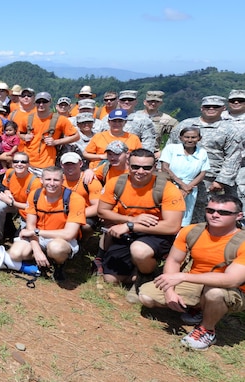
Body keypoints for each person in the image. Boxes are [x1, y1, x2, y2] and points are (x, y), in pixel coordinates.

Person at [138, 195, 245, 350]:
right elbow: (174, 261)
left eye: (223, 213)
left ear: (239, 216)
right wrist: (169, 291)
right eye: (210, 210)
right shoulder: (192, 231)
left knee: (214, 292)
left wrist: (182, 276)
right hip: (196, 282)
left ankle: (207, 330)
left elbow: (232, 280)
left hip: (233, 290)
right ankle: (200, 307)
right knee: (146, 297)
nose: (215, 215)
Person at [97, 149, 185, 299]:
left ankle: (145, 275)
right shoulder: (117, 183)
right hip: (128, 232)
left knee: (139, 250)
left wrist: (130, 226)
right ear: (128, 165)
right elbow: (102, 211)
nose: (140, 171)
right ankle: (138, 270)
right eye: (135, 166)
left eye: (146, 168)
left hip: (156, 232)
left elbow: (172, 226)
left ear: (155, 166)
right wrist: (131, 220)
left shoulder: (167, 189)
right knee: (111, 280)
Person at [0, 166, 86, 282]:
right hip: (37, 236)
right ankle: (41, 261)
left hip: (60, 239)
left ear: (63, 181)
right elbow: (30, 226)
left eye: (56, 180)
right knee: (14, 254)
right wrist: (37, 250)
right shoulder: (35, 195)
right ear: (41, 180)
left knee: (56, 248)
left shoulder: (75, 199)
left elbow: (69, 234)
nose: (52, 183)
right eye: (48, 179)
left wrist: (36, 232)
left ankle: (58, 264)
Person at [172, 95, 243, 223]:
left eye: (215, 107)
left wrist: (222, 181)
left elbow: (233, 157)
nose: (211, 108)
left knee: (209, 213)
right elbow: (170, 148)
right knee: (181, 211)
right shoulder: (186, 124)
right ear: (201, 108)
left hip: (212, 179)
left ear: (223, 108)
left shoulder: (231, 129)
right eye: (207, 106)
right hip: (182, 177)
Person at [159, 126, 209, 226]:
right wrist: (182, 184)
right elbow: (165, 167)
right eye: (187, 137)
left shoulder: (202, 153)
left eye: (193, 137)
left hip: (190, 189)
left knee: (184, 217)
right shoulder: (171, 148)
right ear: (181, 137)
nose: (190, 140)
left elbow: (202, 173)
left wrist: (187, 188)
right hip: (169, 184)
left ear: (199, 138)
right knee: (166, 214)